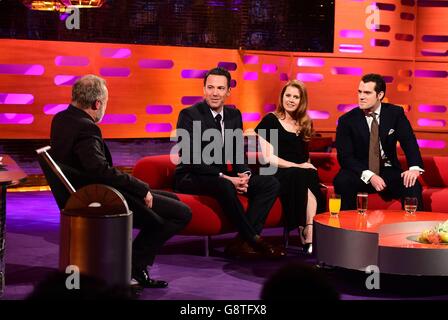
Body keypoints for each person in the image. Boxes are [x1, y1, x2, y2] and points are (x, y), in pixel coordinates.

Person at [50, 74, 192, 289]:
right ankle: (133, 265)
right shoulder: (86, 127)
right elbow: (99, 170)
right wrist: (141, 188)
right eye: (106, 103)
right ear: (97, 103)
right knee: (181, 213)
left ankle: (133, 264)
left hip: (86, 192)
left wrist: (139, 187)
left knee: (171, 199)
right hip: (100, 196)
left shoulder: (60, 119)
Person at [174, 67, 284, 259]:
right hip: (192, 176)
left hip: (223, 176)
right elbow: (190, 157)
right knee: (225, 185)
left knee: (270, 183)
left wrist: (244, 174)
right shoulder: (189, 114)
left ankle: (240, 242)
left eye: (220, 88)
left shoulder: (234, 115)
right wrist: (226, 178)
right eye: (210, 87)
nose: (215, 93)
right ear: (203, 89)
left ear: (228, 92)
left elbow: (236, 152)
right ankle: (254, 240)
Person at [254, 80, 325, 255]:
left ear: (302, 101)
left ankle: (307, 229)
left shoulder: (305, 123)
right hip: (274, 172)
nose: (291, 100)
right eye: (288, 95)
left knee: (308, 174)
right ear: (282, 97)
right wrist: (299, 166)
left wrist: (305, 166)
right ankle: (307, 231)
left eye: (296, 97)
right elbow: (268, 158)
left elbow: (304, 156)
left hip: (297, 173)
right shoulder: (270, 120)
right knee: (300, 173)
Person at [334, 73, 424, 210]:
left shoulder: (395, 113)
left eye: (367, 93)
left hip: (387, 170)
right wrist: (370, 176)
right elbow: (345, 157)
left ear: (380, 95)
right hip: (359, 171)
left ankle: (414, 228)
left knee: (412, 184)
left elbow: (409, 141)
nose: (361, 97)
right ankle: (346, 228)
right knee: (342, 181)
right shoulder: (347, 120)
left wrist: (414, 168)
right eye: (359, 92)